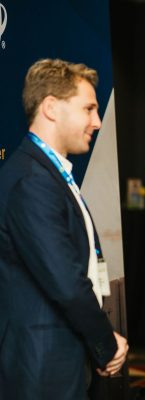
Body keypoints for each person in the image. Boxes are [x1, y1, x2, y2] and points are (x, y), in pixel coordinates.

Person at [0, 59, 128, 399]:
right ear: (52, 107)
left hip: (63, 355)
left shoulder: (48, 173)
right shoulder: (32, 180)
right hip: (42, 365)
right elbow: (65, 281)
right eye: (88, 108)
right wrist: (105, 343)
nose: (97, 122)